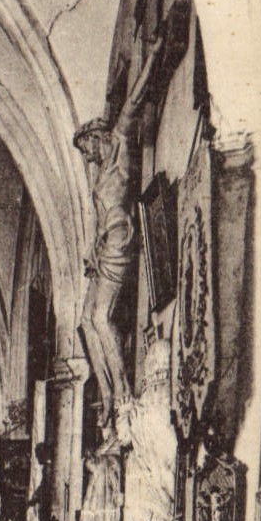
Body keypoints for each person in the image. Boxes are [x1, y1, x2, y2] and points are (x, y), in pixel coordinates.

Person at [73, 27, 165, 433]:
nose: (88, 156)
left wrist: (157, 49)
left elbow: (134, 99)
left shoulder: (121, 140)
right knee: (85, 319)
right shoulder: (101, 171)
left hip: (121, 238)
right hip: (106, 243)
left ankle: (123, 394)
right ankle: (108, 396)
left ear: (96, 137)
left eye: (87, 148)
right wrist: (93, 248)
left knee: (100, 316)